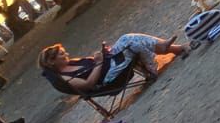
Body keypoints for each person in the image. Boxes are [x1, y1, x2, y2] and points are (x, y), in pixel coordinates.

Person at [39, 33, 188, 94]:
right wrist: (99, 63)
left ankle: (170, 49)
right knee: (131, 44)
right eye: (61, 54)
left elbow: (94, 62)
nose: (66, 54)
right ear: (52, 61)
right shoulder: (64, 77)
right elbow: (89, 84)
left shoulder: (72, 62)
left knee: (127, 39)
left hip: (109, 65)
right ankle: (158, 59)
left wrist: (102, 54)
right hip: (108, 80)